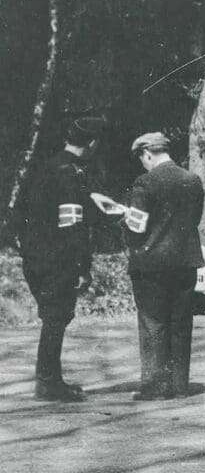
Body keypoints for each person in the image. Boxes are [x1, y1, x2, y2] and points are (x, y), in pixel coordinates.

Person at [17, 117, 106, 402]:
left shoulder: (48, 166)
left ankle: (50, 379)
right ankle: (47, 383)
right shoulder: (71, 172)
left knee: (54, 317)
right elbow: (71, 224)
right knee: (56, 317)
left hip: (37, 255)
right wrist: (82, 266)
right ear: (92, 143)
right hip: (58, 258)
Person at [124, 132, 205, 400]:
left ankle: (156, 388)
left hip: (152, 265)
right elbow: (194, 219)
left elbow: (136, 228)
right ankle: (179, 385)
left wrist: (123, 220)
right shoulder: (193, 181)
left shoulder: (144, 183)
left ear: (147, 154)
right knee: (181, 323)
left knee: (153, 325)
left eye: (142, 159)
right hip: (185, 262)